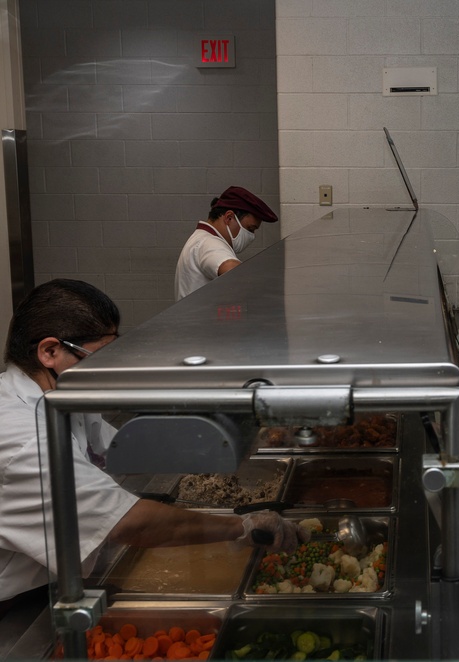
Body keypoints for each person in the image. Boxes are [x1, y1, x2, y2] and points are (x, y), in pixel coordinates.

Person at [0, 280, 307, 609]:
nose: (108, 371)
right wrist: (242, 527)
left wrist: (242, 435)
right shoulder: (20, 436)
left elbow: (127, 449)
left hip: (55, 579)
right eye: (100, 357)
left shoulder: (61, 397)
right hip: (17, 609)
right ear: (50, 352)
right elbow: (129, 523)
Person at [174, 186, 278, 300]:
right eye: (250, 229)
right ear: (229, 218)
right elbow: (234, 270)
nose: (251, 236)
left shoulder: (200, 238)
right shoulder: (209, 242)